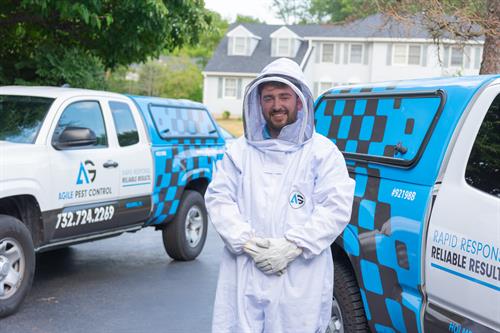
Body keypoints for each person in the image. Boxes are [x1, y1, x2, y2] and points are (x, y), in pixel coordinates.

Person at [205, 58, 355, 333]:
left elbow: (334, 208)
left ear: (299, 101)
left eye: (284, 96)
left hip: (299, 276)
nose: (276, 105)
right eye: (269, 98)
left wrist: (292, 246)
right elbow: (219, 199)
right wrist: (247, 242)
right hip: (244, 270)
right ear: (258, 103)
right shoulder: (239, 152)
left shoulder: (322, 152)